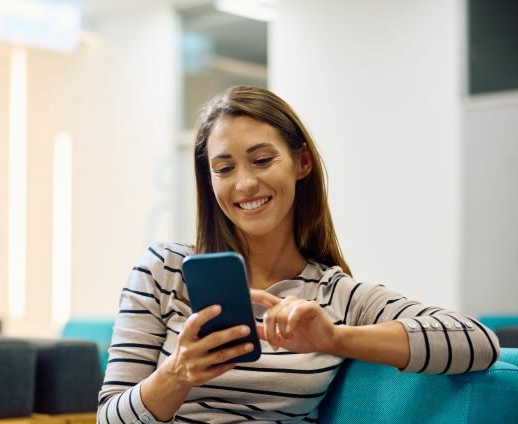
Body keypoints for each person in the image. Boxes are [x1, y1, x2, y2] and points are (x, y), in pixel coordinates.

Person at [97, 87, 500, 423]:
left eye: (261, 160)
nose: (245, 184)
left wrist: (334, 337)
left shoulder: (335, 297)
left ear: (301, 162)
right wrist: (176, 374)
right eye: (224, 169)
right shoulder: (163, 271)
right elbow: (109, 418)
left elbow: (478, 341)